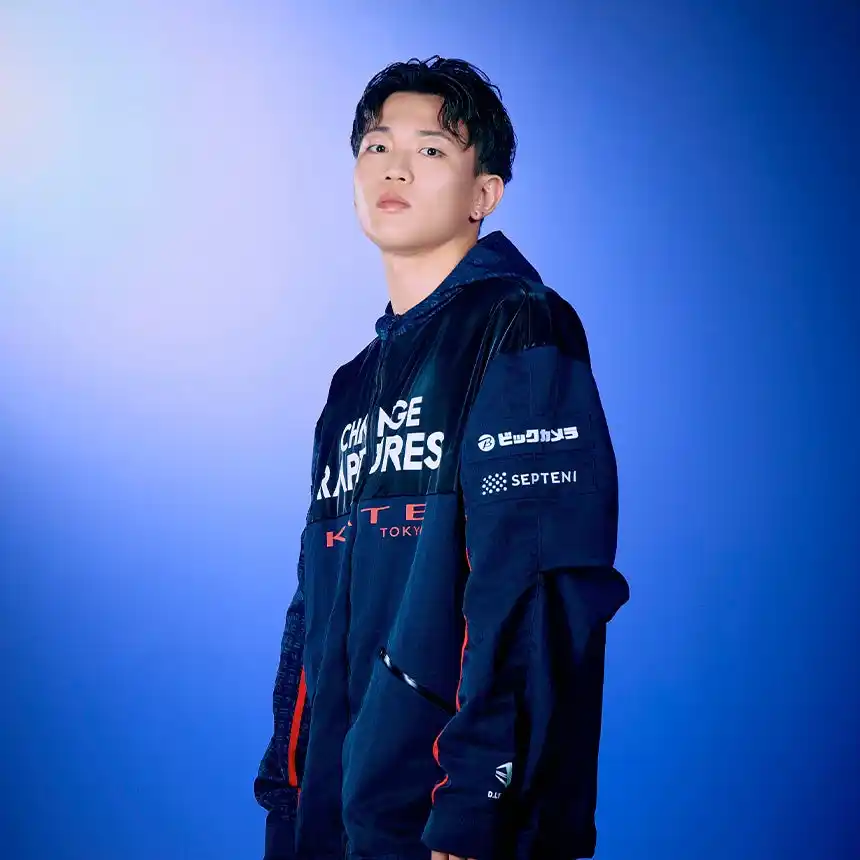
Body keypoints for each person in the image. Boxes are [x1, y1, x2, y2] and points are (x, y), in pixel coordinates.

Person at [254, 55, 629, 860]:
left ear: (483, 194)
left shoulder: (519, 324)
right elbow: (311, 614)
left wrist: (475, 802)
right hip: (332, 824)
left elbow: (536, 584)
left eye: (430, 149)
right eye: (376, 146)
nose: (394, 167)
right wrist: (284, 794)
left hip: (449, 824)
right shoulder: (350, 387)